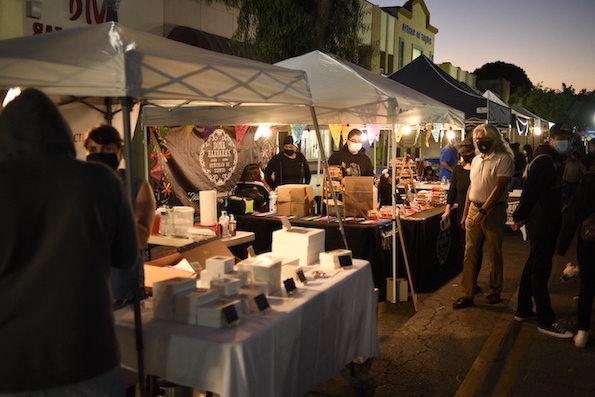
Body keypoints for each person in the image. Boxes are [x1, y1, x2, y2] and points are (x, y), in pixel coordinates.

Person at [0, 88, 138, 394]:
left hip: (11, 363)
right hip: (87, 353)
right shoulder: (100, 180)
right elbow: (125, 257)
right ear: (62, 132)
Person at [511, 122, 575, 338]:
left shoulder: (552, 159)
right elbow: (530, 191)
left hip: (545, 220)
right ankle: (546, 319)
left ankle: (523, 308)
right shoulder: (545, 161)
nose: (565, 142)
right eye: (561, 138)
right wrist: (519, 216)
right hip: (542, 222)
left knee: (533, 264)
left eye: (568, 139)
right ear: (551, 139)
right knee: (541, 270)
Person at [84, 124, 156, 308]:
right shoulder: (80, 188)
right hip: (88, 290)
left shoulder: (137, 187)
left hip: (123, 292)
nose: (99, 154)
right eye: (93, 149)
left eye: (107, 149)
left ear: (120, 152)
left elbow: (140, 238)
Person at [453, 124, 514, 309]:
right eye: (477, 140)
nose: (480, 143)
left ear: (494, 139)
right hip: (474, 208)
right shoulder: (477, 160)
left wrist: (483, 211)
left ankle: (495, 290)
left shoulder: (504, 159)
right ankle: (467, 293)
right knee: (469, 252)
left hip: (493, 210)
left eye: (484, 139)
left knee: (494, 252)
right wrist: (466, 213)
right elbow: (472, 187)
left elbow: (499, 188)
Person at [556, 163, 595, 347]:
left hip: (589, 239)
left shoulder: (588, 182)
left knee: (587, 284)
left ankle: (582, 332)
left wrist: (562, 245)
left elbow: (574, 215)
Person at [442, 136, 482, 277]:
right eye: (463, 153)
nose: (465, 156)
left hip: (476, 212)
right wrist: (447, 209)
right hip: (461, 212)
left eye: (468, 153)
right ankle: (465, 275)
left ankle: (472, 278)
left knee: (474, 248)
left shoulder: (478, 169)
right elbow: (452, 191)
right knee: (462, 245)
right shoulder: (458, 170)